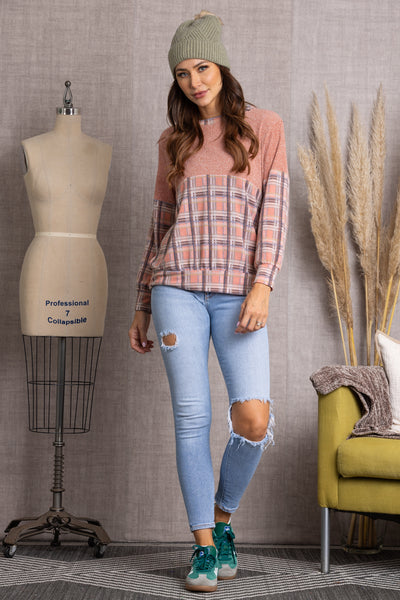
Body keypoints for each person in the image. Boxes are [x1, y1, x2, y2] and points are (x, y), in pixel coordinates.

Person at [129, 10, 289, 593]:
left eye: (202, 67)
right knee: (192, 417)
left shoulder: (264, 128)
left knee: (253, 419)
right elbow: (160, 227)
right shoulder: (173, 141)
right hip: (176, 289)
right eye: (182, 72)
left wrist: (263, 284)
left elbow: (275, 212)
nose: (194, 81)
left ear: (220, 65)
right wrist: (143, 301)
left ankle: (222, 522)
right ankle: (202, 547)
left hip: (238, 293)